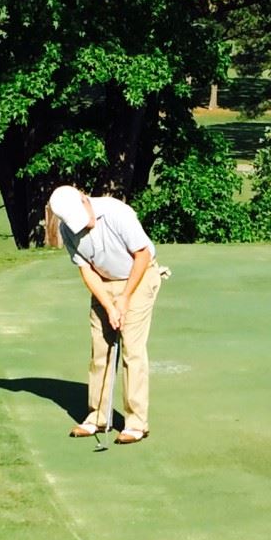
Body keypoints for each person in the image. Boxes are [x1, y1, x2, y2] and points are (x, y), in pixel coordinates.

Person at [49, 185, 163, 445]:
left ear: (84, 198)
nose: (85, 225)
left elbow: (142, 255)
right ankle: (97, 417)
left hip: (139, 277)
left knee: (132, 350)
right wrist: (109, 306)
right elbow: (86, 269)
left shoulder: (116, 213)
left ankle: (136, 423)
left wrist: (123, 299)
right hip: (103, 284)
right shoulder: (68, 229)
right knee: (100, 350)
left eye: (84, 218)